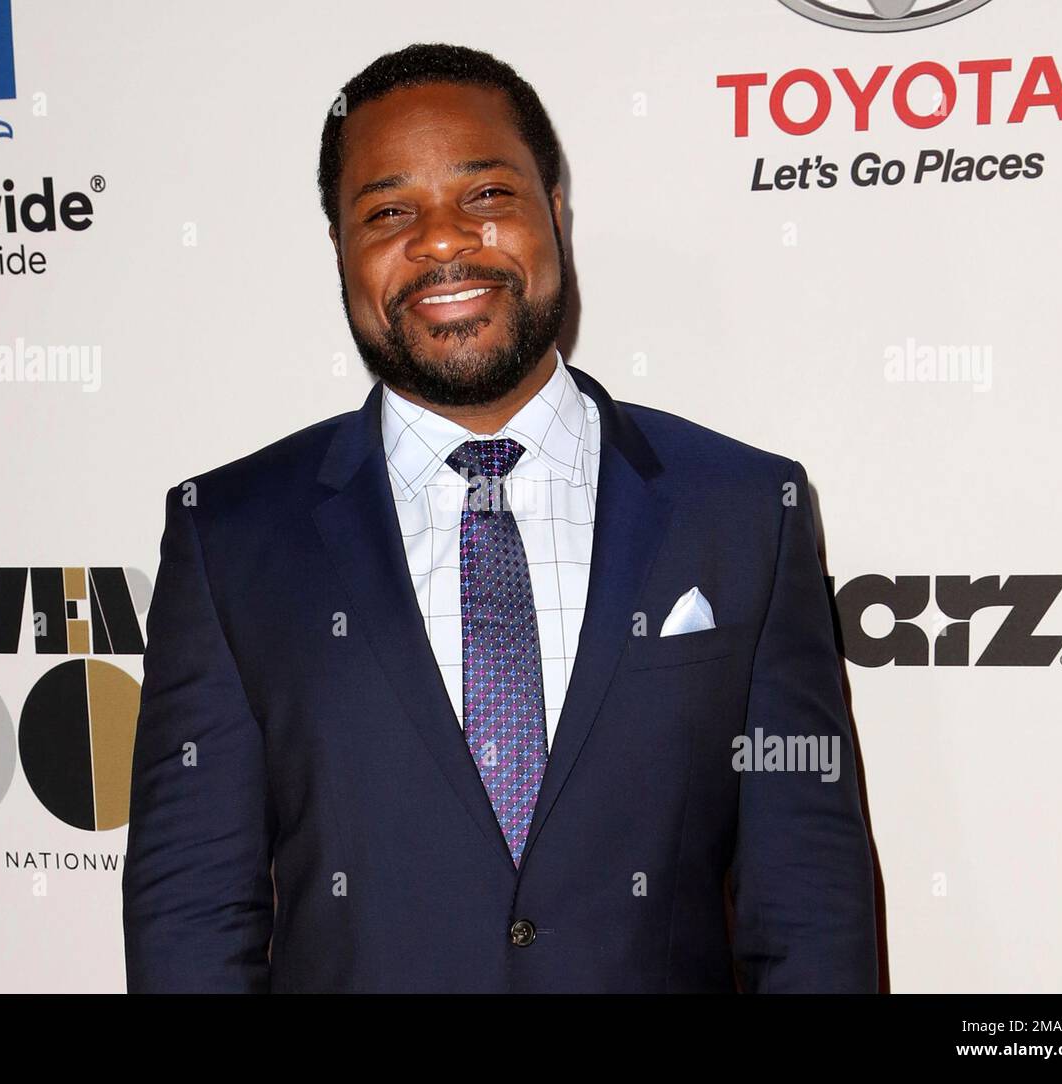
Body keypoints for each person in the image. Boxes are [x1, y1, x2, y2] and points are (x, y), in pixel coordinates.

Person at [121, 42, 877, 993]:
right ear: (342, 252)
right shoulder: (230, 534)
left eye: (485, 196)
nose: (443, 241)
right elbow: (193, 914)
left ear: (554, 212)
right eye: (390, 212)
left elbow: (810, 907)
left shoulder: (742, 510)